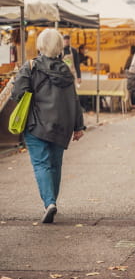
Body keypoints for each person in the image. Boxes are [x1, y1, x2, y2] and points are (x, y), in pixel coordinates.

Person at [11, 29, 85, 224]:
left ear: (40, 45)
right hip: (62, 125)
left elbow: (17, 94)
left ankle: (49, 203)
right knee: (55, 164)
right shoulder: (66, 70)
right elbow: (74, 99)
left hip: (37, 124)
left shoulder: (31, 66)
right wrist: (79, 126)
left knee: (41, 163)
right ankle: (52, 201)